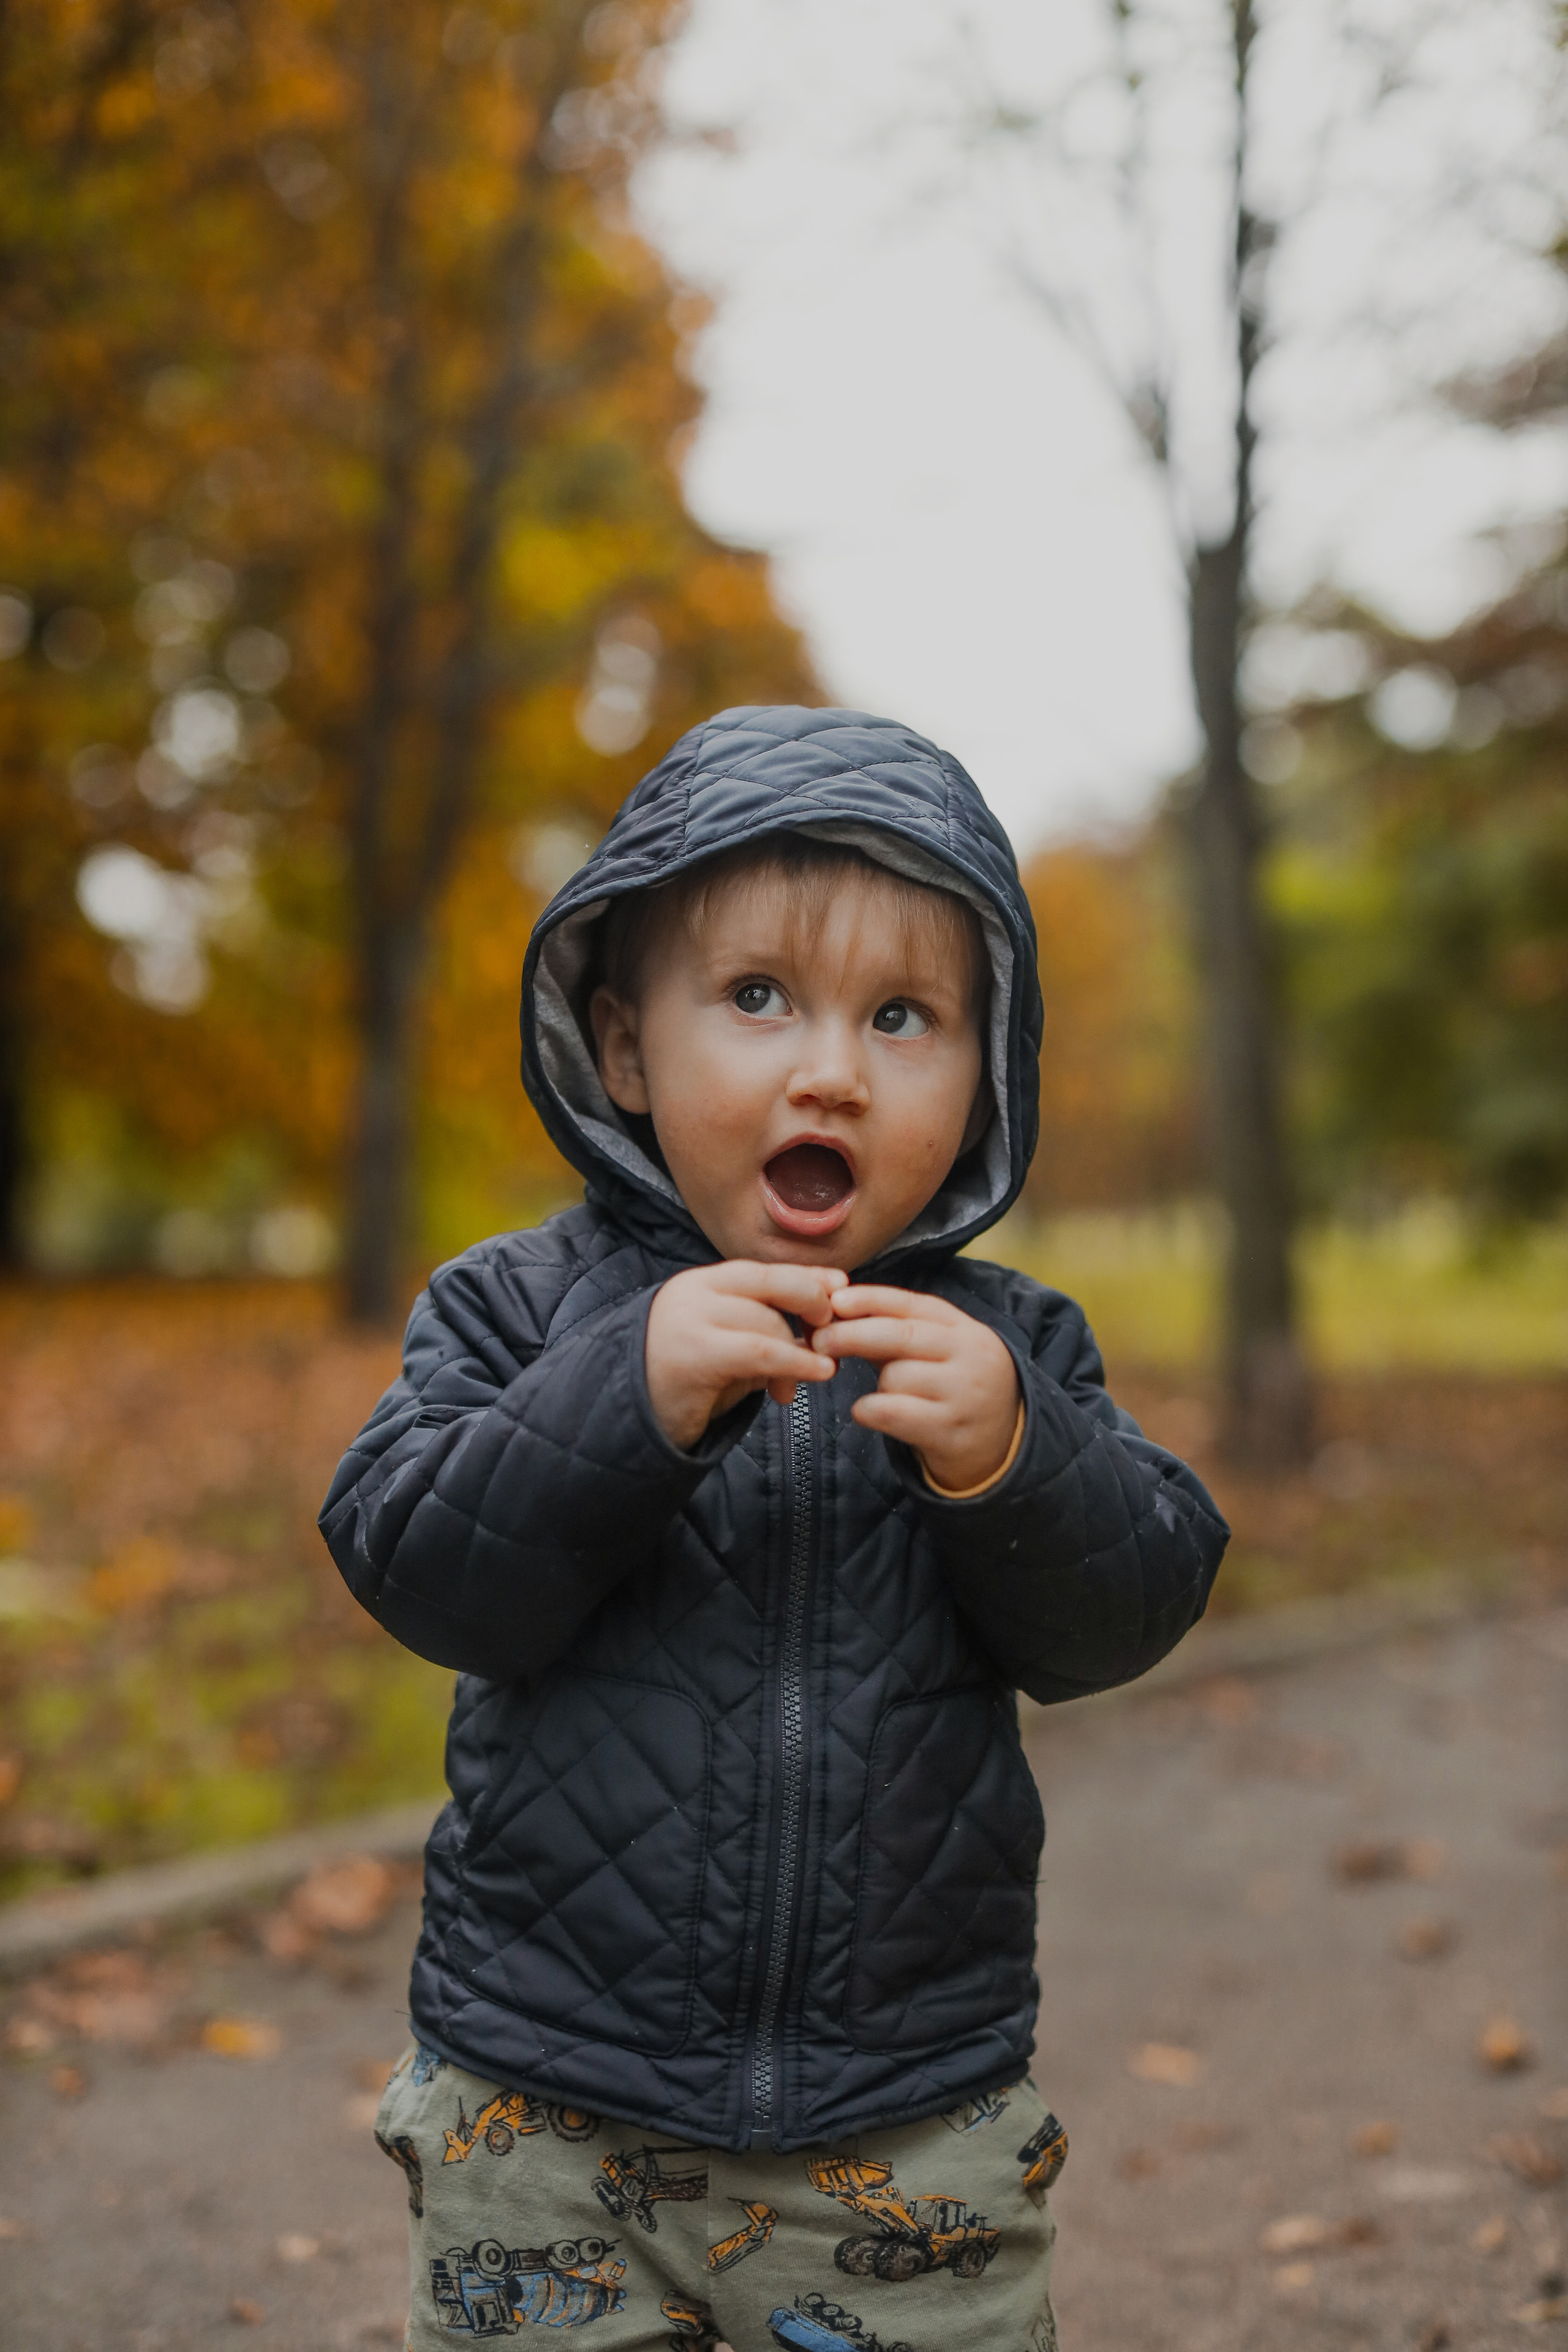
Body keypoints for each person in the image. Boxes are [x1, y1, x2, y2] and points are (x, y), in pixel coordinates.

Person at [321, 705, 1228, 2352]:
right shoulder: (518, 1312)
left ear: (988, 1073)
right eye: (757, 997)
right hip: (547, 2101)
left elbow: (1132, 1606)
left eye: (904, 1016)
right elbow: (417, 1565)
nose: (831, 1069)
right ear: (624, 1049)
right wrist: (622, 1396)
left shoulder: (1004, 1347)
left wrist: (1016, 1460)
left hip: (909, 2115)